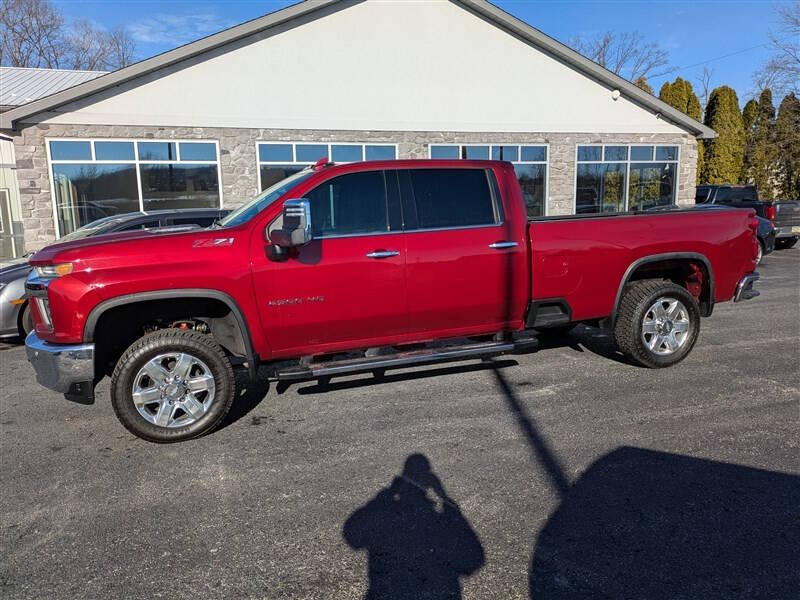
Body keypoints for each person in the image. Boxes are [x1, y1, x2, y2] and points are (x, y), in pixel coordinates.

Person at [343, 454, 485, 599]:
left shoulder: (388, 516)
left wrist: (387, 494)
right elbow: (475, 558)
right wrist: (444, 497)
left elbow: (352, 533)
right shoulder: (439, 521)